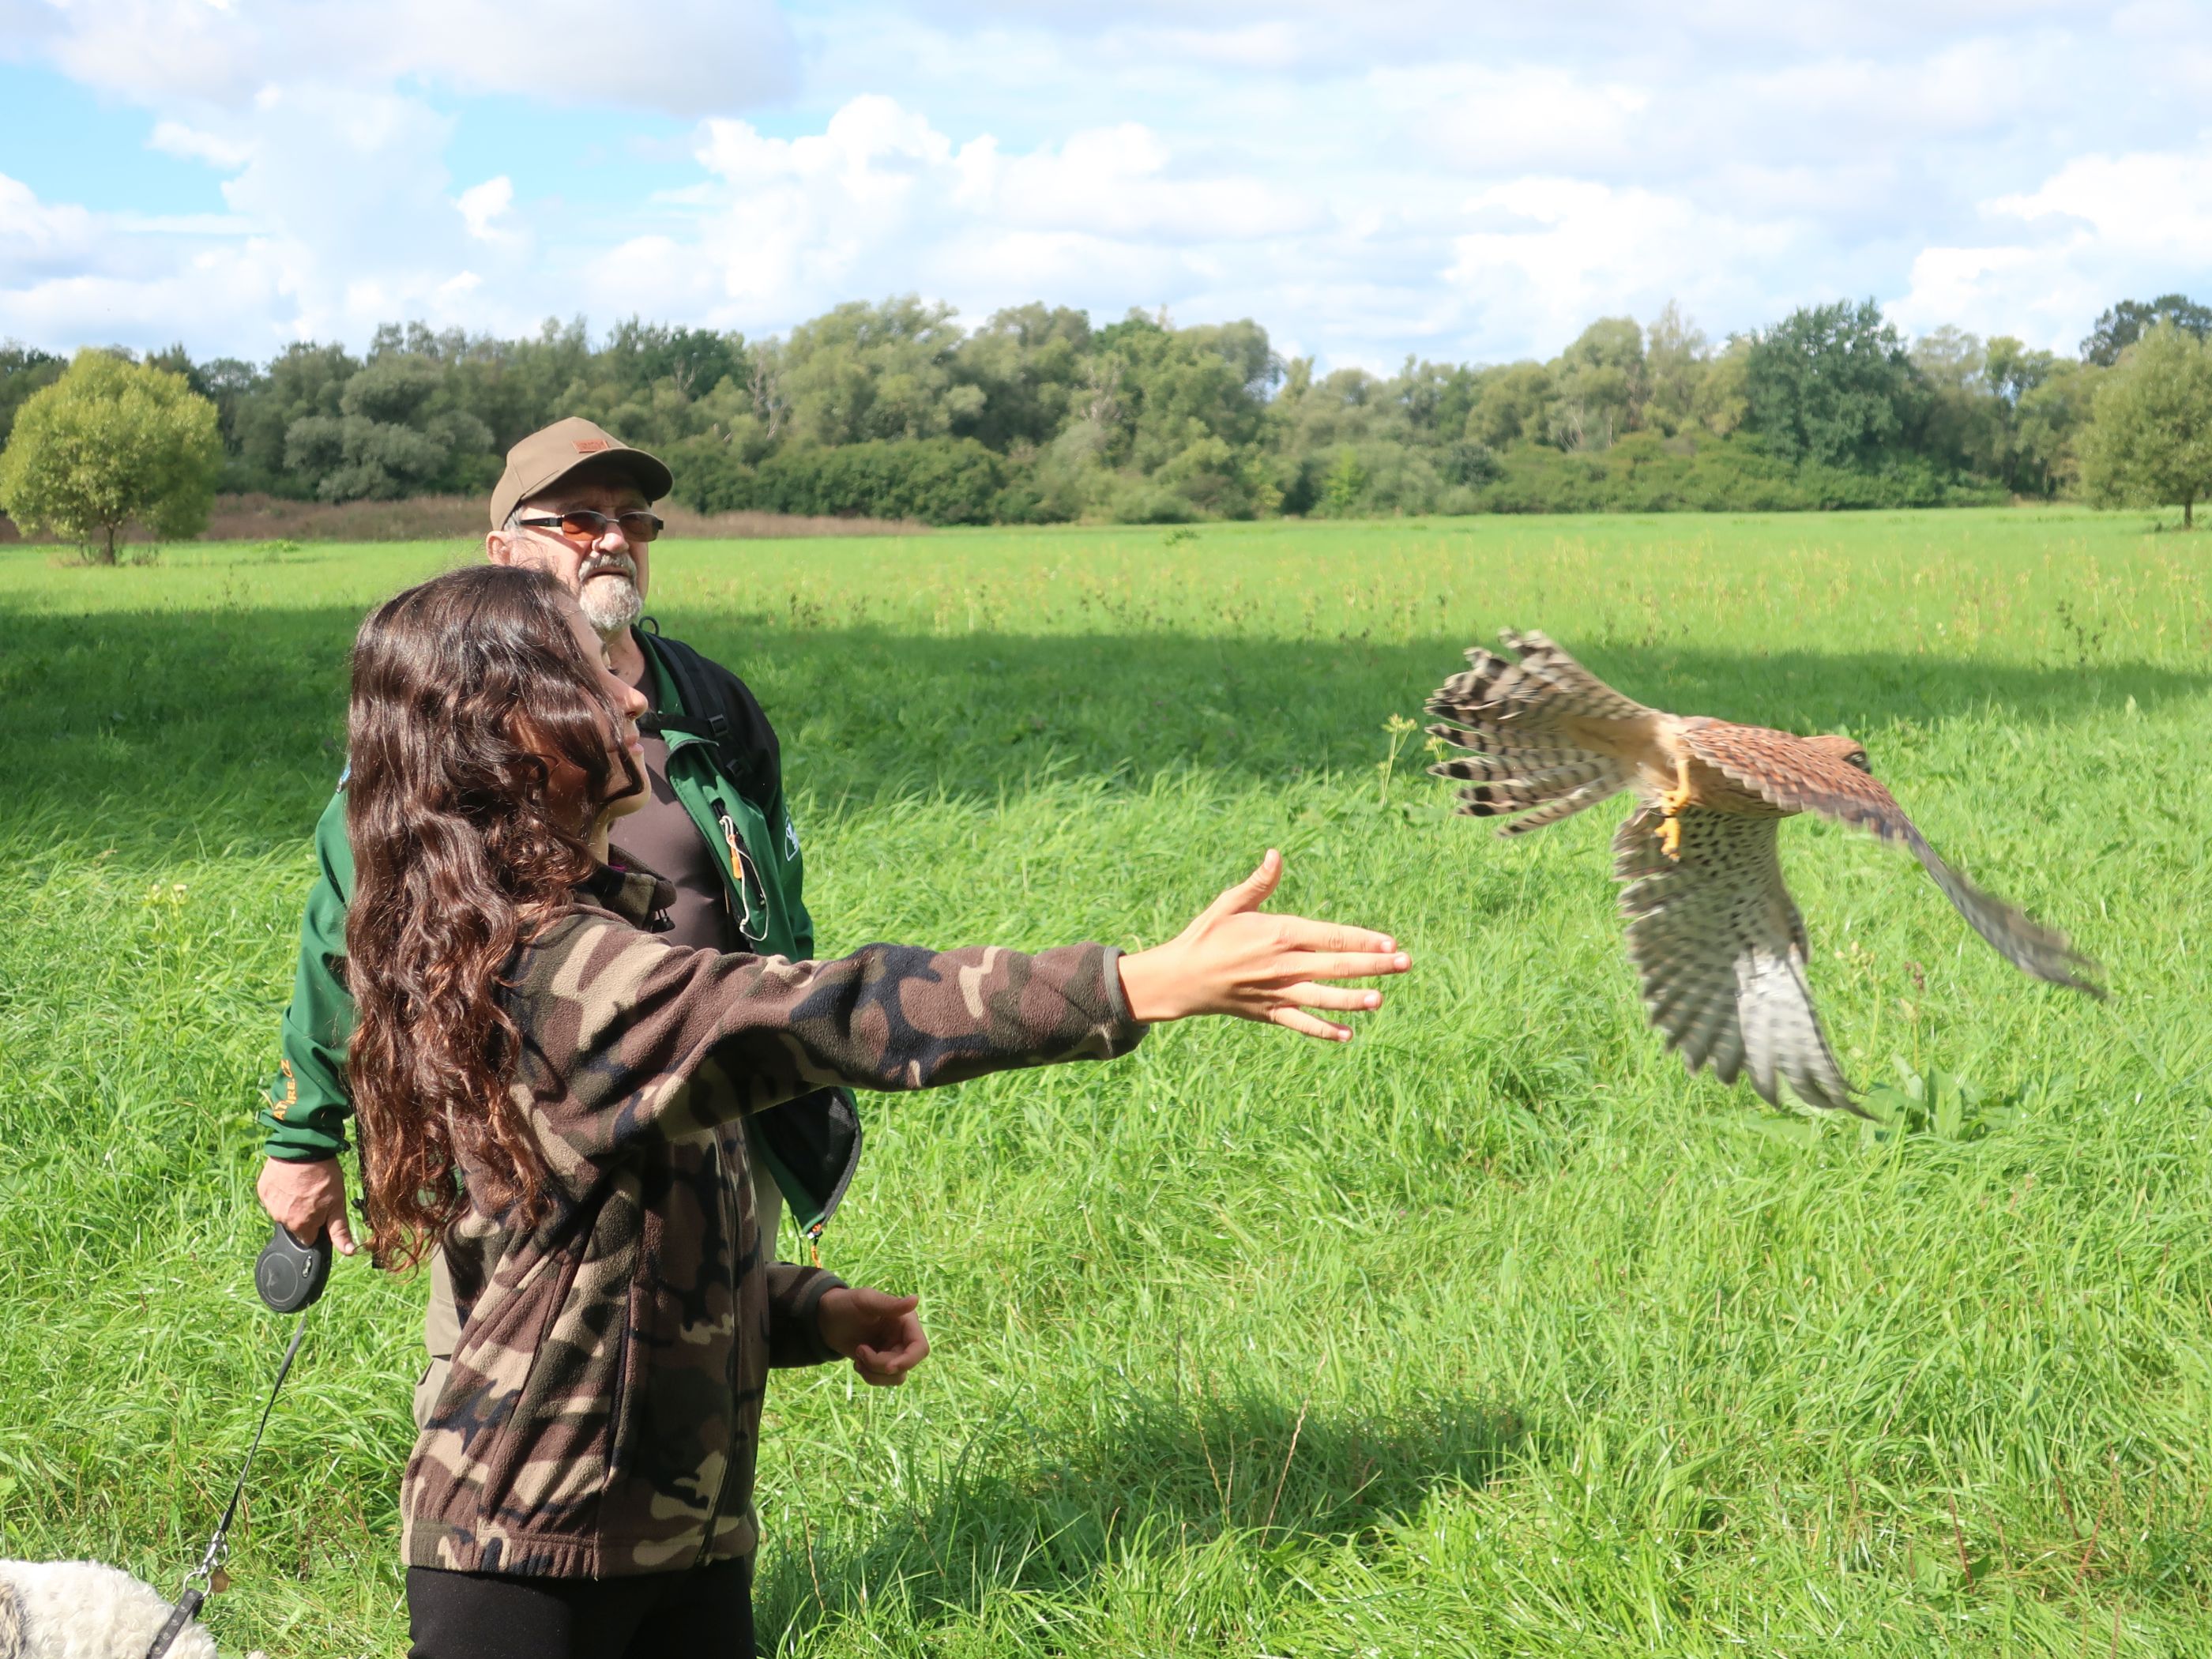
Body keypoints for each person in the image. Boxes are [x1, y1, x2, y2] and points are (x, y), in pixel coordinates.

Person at [347, 563, 1409, 1658]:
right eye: (590, 675)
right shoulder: (563, 979)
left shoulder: (582, 946)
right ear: (512, 731)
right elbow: (831, 1013)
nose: (632, 698)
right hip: (531, 1560)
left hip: (676, 1539)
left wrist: (800, 1310)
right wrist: (1133, 984)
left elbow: (588, 1258)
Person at [256, 418, 858, 1418]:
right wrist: (302, 1139)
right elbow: (348, 937)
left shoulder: (712, 701)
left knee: (713, 1360)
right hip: (515, 1118)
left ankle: (685, 1566)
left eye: (634, 520)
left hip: (708, 1096)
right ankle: (487, 1568)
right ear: (503, 553)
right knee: (497, 1386)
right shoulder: (445, 712)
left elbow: (773, 905)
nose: (613, 539)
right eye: (578, 519)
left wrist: (794, 1052)